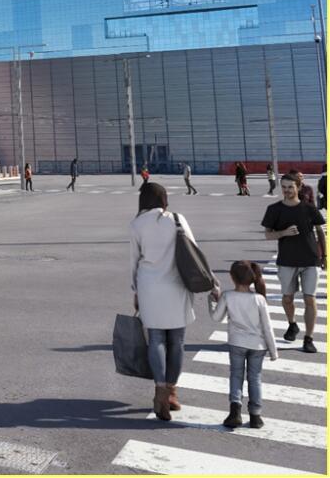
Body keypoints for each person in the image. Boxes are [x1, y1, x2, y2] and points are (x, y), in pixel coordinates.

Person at [131, 181, 209, 421]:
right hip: (176, 284)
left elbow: (134, 260)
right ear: (164, 199)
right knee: (177, 340)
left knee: (155, 339)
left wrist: (135, 290)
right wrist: (212, 283)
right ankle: (173, 393)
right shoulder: (177, 219)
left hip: (149, 285)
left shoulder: (137, 223)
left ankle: (160, 391)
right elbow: (194, 251)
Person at [262, 172, 326, 354]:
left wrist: (325, 257)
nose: (287, 190)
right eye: (283, 187)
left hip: (310, 259)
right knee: (287, 298)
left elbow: (320, 232)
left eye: (290, 187)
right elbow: (268, 234)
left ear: (298, 187)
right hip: (287, 260)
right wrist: (283, 233)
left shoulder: (309, 208)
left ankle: (309, 338)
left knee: (310, 298)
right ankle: (292, 324)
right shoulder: (274, 209)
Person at [210, 260, 278, 430]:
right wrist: (273, 351)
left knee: (236, 375)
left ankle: (235, 412)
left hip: (237, 343)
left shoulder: (227, 296)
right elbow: (267, 327)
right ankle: (256, 416)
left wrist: (213, 300)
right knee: (255, 378)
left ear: (232, 278)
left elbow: (216, 318)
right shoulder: (259, 299)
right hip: (258, 345)